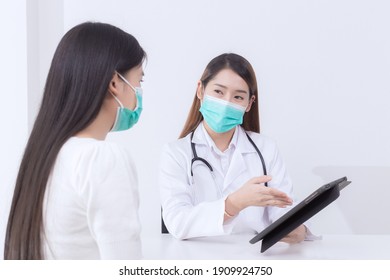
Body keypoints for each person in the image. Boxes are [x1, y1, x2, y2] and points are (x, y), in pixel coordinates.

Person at [4, 22, 146, 260]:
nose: (139, 91)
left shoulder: (43, 156)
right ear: (114, 83)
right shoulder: (101, 158)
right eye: (139, 81)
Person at [159, 53, 307, 243]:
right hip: (197, 260)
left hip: (254, 259)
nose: (227, 102)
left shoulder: (266, 148)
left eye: (238, 96)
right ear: (200, 91)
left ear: (249, 104)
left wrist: (294, 226)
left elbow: (283, 208)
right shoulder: (176, 153)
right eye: (219, 92)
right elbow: (177, 222)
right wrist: (235, 203)